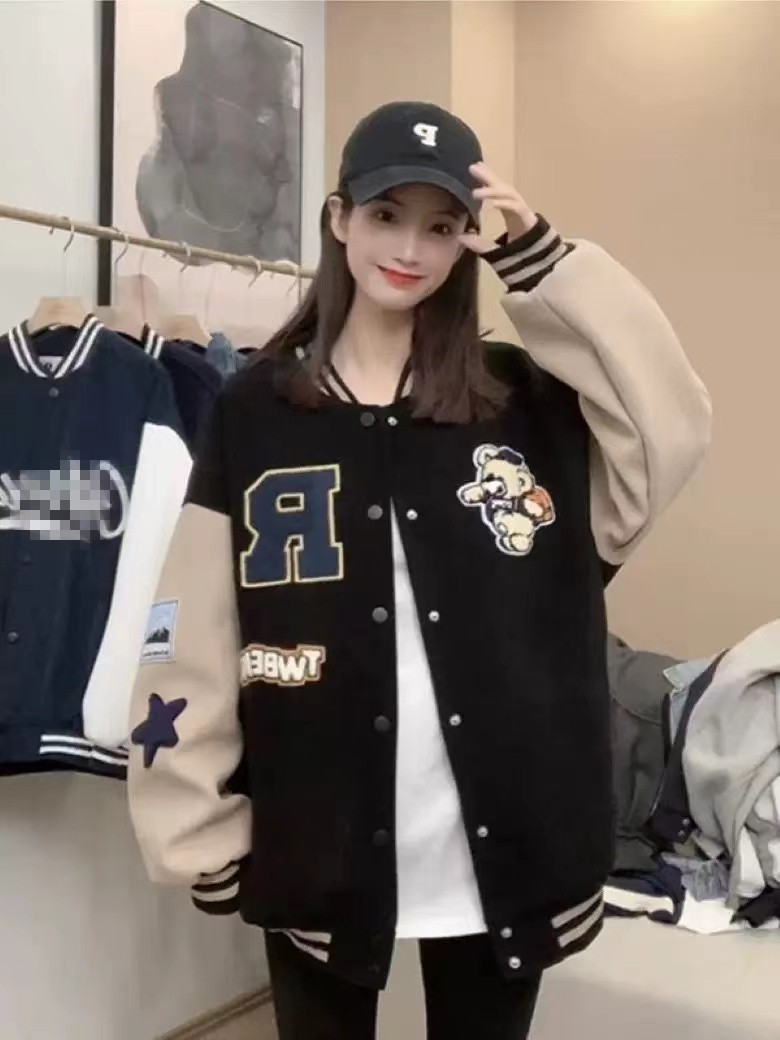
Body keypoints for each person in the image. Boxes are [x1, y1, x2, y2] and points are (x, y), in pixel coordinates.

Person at [128, 101, 711, 1039]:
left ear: (469, 243)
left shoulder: (522, 403)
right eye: (386, 215)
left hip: (506, 845)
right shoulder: (256, 410)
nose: (409, 248)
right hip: (317, 839)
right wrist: (191, 822)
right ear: (338, 219)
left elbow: (670, 432)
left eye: (442, 227)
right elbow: (191, 627)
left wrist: (544, 265)